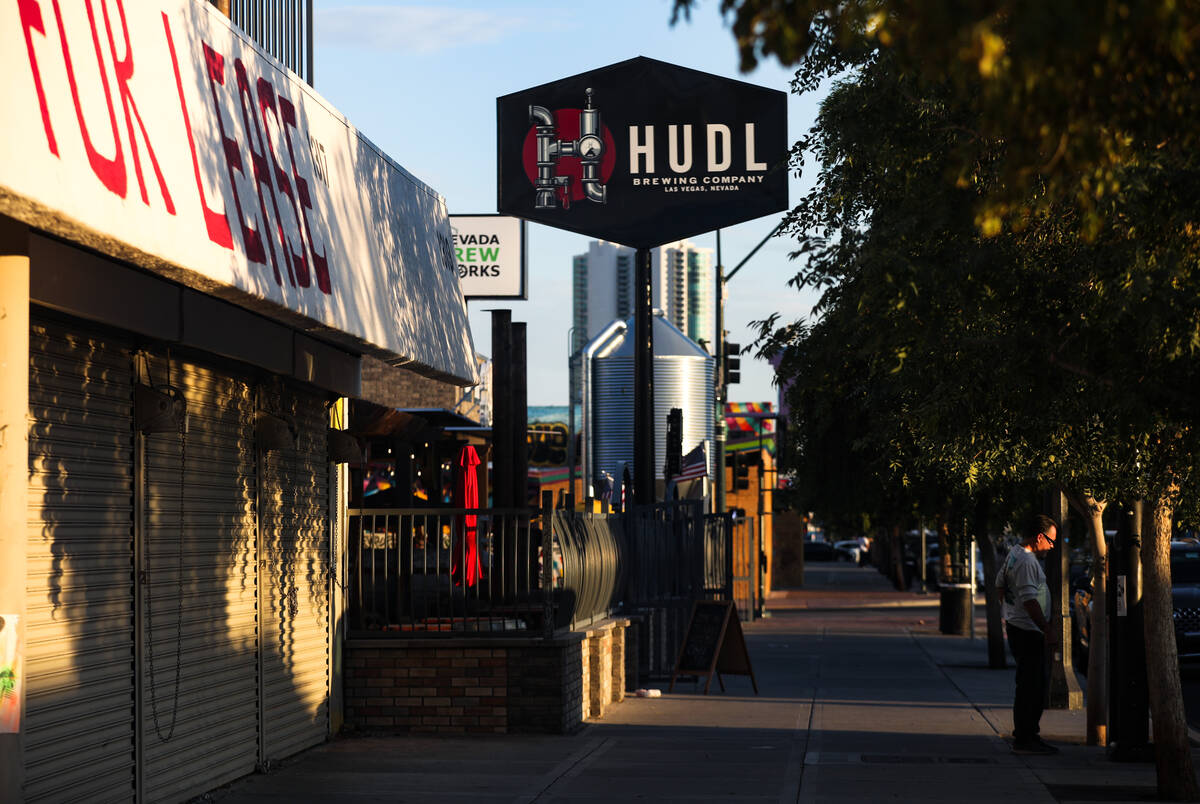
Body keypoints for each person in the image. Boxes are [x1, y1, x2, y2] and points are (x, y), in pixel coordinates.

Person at [996, 514, 1059, 755]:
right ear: (1039, 537)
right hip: (1028, 631)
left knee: (1030, 684)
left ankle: (1028, 734)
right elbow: (1030, 600)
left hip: (1020, 627)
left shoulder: (1014, 554)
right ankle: (1025, 737)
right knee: (1031, 687)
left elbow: (999, 584)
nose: (1052, 547)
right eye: (1051, 541)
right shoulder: (1026, 561)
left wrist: (1009, 611)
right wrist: (1046, 628)